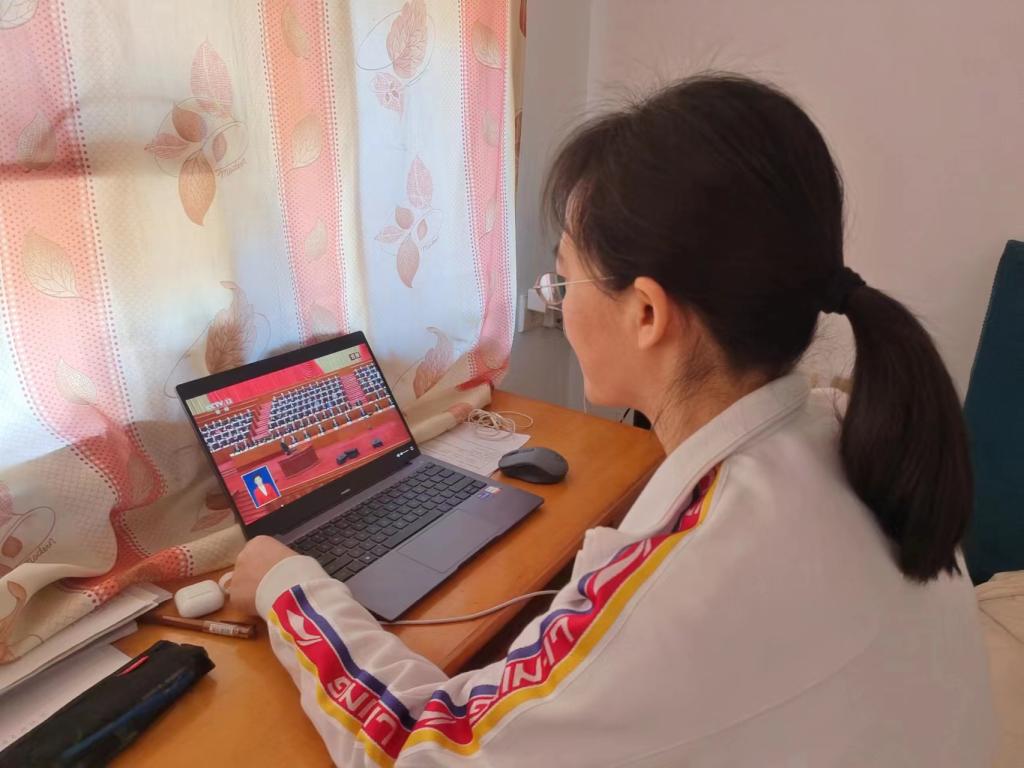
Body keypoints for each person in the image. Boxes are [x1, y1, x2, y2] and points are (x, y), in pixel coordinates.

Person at [229, 74, 993, 766]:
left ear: (647, 312)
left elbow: (425, 753)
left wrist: (287, 585)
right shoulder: (866, 443)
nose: (559, 305)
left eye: (564, 280)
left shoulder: (689, 582)